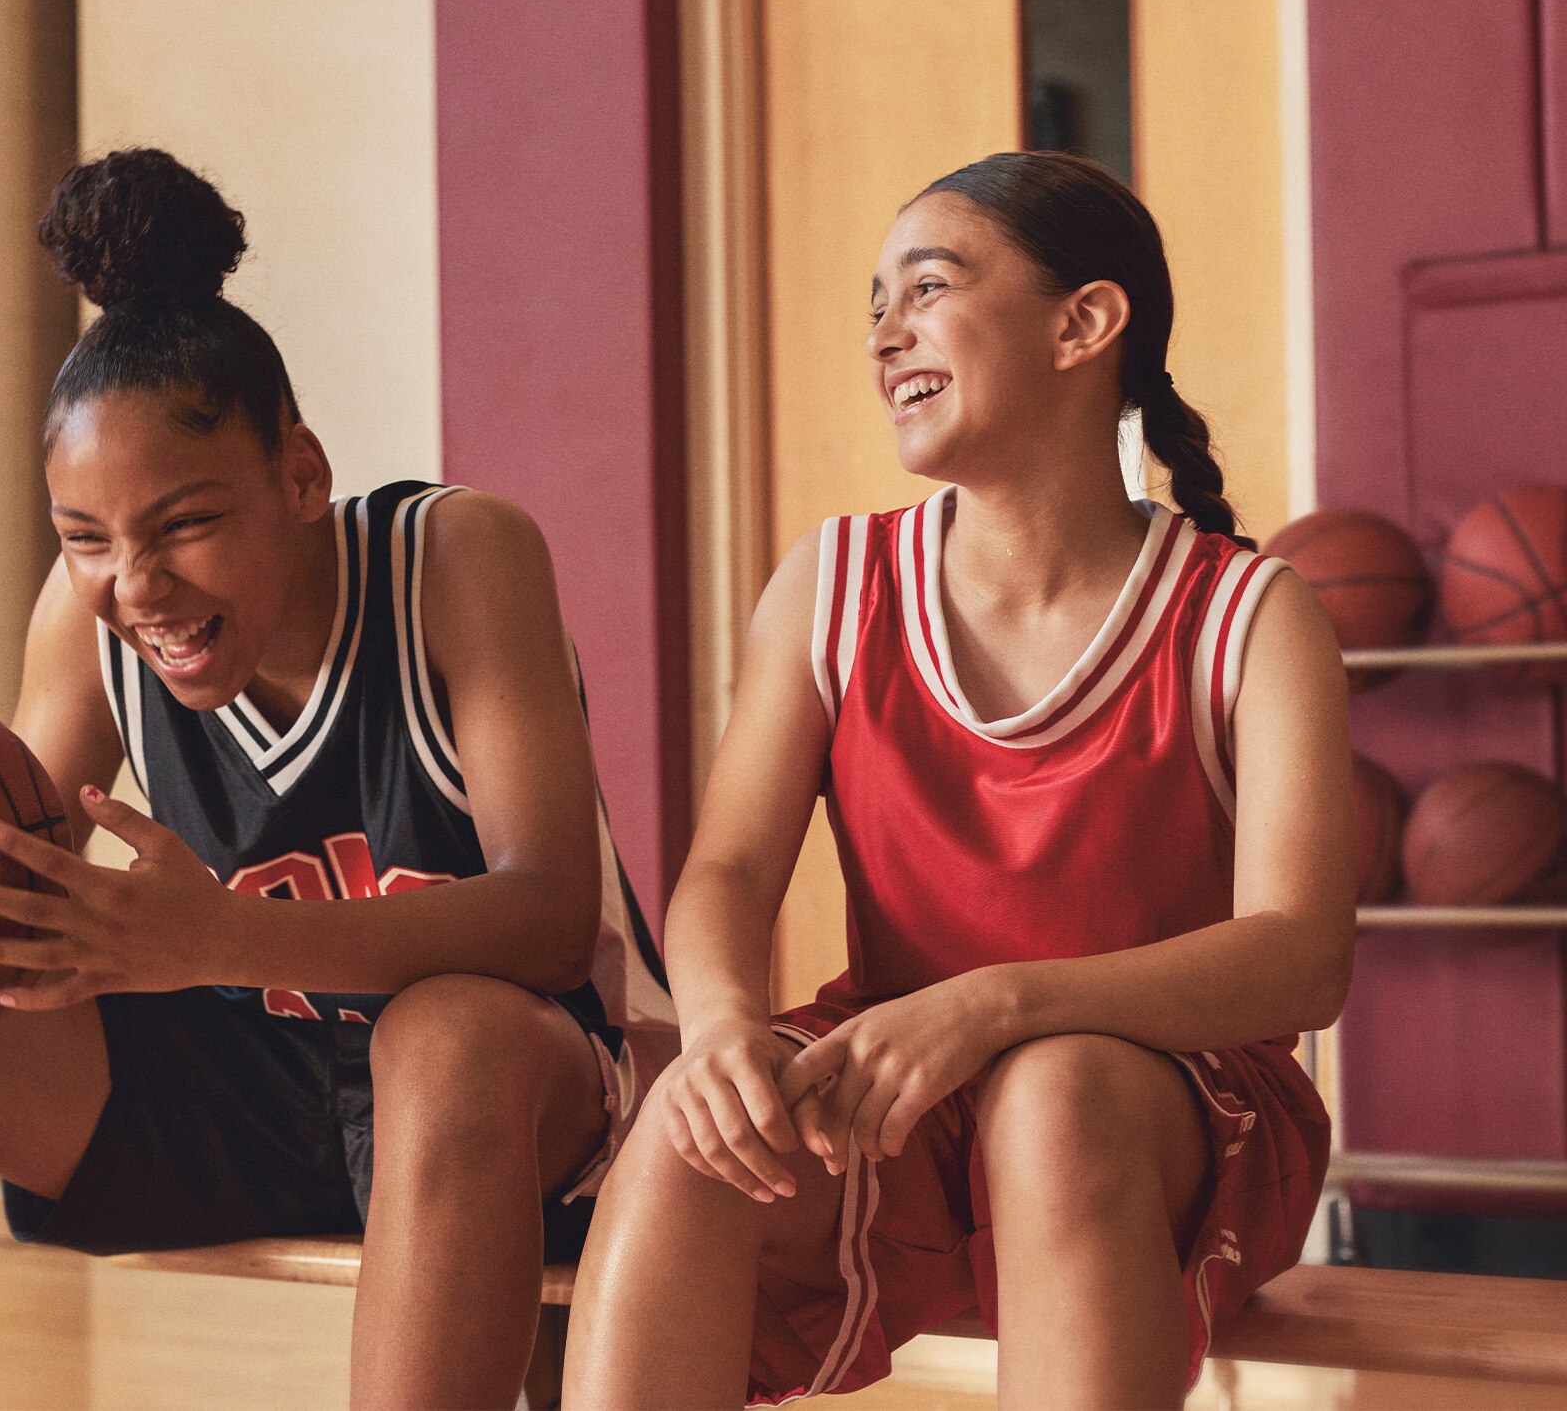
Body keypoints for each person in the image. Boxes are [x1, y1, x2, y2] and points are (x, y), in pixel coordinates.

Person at [0, 147, 674, 1410]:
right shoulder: (90, 624)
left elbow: (544, 921)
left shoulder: (454, 556)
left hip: (535, 1088)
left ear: (300, 477)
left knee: (440, 1038)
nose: (136, 584)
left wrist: (216, 934)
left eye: (184, 523)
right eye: (86, 538)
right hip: (265, 1084)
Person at [560, 151, 1353, 1410]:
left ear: (1081, 323)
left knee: (1056, 1090)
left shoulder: (1248, 614)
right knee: (686, 1133)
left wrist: (996, 1006)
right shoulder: (830, 582)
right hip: (902, 1088)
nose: (884, 334)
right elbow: (724, 872)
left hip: (1176, 1114)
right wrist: (716, 1029)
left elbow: (1300, 958)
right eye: (872, 305)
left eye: (924, 289)